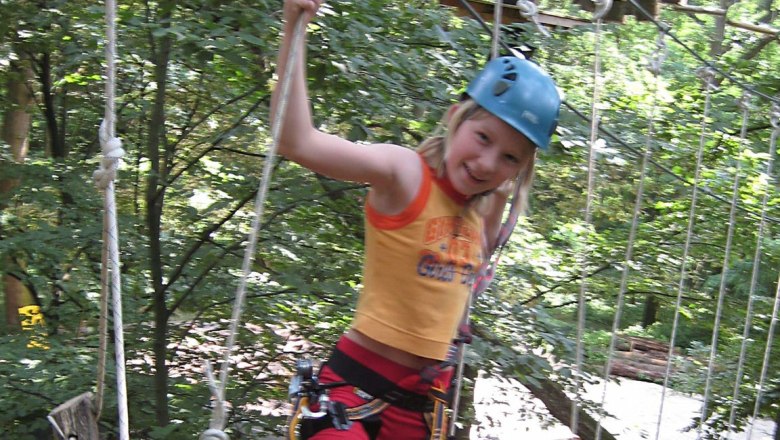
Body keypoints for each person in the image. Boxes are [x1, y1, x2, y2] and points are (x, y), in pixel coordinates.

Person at [272, 1, 561, 439]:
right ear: (454, 118)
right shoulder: (405, 174)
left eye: (508, 157)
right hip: (356, 388)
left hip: (425, 405)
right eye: (482, 137)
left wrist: (500, 190)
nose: (486, 163)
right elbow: (298, 142)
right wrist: (295, 25)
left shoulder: (481, 210)